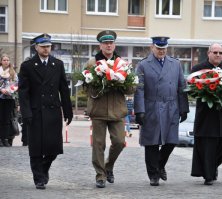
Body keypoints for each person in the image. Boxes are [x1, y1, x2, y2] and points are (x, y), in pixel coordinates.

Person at [18, 33, 73, 189]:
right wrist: (26, 113)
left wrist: (68, 110)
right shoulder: (27, 66)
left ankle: (44, 168)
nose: (46, 49)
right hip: (35, 112)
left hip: (53, 110)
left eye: (48, 46)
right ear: (36, 47)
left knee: (53, 148)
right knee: (35, 148)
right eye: (43, 47)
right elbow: (23, 93)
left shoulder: (58, 64)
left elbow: (64, 89)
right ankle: (39, 178)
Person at [134, 36, 189, 186]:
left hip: (172, 106)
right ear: (152, 47)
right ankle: (153, 174)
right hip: (152, 106)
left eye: (164, 49)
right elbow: (139, 89)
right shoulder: (143, 65)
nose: (161, 51)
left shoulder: (175, 64)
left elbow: (181, 87)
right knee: (152, 143)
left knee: (171, 141)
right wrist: (139, 110)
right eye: (158, 48)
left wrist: (184, 108)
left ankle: (159, 164)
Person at [86, 30, 135, 188]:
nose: (108, 45)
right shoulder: (92, 63)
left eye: (111, 43)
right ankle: (100, 175)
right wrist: (100, 85)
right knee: (98, 144)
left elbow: (131, 89)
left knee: (120, 142)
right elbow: (86, 88)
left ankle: (108, 166)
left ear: (114, 45)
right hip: (99, 110)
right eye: (105, 43)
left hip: (117, 111)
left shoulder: (122, 64)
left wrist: (121, 83)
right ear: (100, 45)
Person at [190, 43, 222, 185]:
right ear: (208, 53)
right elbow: (191, 90)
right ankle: (209, 175)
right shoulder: (198, 69)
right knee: (208, 147)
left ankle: (212, 167)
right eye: (215, 52)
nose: (218, 55)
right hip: (207, 116)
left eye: (220, 53)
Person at [0, 54, 18, 147]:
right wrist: (1, 89)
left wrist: (12, 90)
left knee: (7, 119)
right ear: (1, 61)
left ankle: (5, 138)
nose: (6, 62)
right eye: (4, 60)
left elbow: (16, 83)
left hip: (9, 98)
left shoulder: (12, 72)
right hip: (0, 97)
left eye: (7, 60)